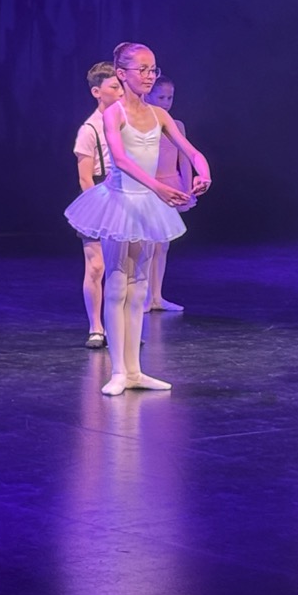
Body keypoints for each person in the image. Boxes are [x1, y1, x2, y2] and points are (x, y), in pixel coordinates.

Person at [65, 42, 212, 396]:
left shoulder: (159, 115)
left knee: (140, 286)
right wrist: (159, 188)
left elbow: (190, 150)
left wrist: (204, 170)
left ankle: (136, 370)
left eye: (152, 70)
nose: (149, 76)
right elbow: (121, 160)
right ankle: (119, 370)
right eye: (142, 69)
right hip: (120, 201)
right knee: (118, 284)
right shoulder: (114, 114)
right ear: (122, 73)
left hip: (146, 203)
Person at [72, 62, 126, 349]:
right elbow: (84, 177)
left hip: (125, 194)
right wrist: (98, 212)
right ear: (97, 92)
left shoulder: (126, 121)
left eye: (121, 86)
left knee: (124, 267)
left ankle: (123, 327)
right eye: (114, 87)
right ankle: (96, 327)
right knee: (96, 266)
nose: (121, 92)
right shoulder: (89, 129)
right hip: (98, 196)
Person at [142, 74, 194, 312]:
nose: (166, 102)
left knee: (162, 245)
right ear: (148, 95)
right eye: (161, 97)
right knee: (147, 244)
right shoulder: (142, 124)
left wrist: (187, 188)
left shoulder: (177, 125)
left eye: (169, 98)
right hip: (150, 187)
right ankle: (143, 296)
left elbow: (184, 159)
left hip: (171, 185)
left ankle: (157, 296)